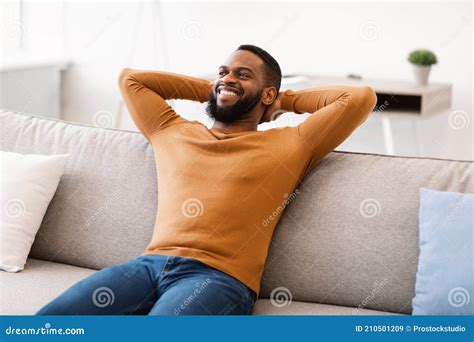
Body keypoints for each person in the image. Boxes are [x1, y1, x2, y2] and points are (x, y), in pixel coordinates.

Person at [37, 44, 377, 315]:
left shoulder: (292, 144)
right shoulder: (171, 130)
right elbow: (132, 79)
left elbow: (360, 99)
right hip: (147, 267)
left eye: (243, 74)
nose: (228, 78)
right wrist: (217, 89)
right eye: (223, 72)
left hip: (217, 279)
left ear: (268, 93)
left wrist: (279, 102)